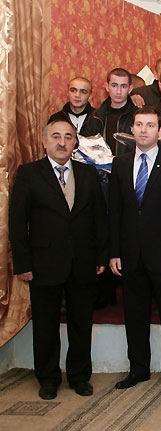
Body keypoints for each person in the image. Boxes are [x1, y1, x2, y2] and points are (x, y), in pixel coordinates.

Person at [9, 119, 108, 400]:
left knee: (81, 324)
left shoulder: (88, 174)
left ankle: (79, 376)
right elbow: (18, 222)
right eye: (56, 136)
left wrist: (101, 255)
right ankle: (48, 378)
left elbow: (100, 218)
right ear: (44, 141)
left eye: (67, 137)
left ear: (75, 142)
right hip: (44, 263)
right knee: (46, 325)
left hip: (83, 262)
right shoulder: (29, 174)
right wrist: (23, 264)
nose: (62, 142)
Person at [109, 106, 161, 393]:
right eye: (139, 124)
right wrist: (114, 252)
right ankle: (138, 369)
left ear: (160, 131)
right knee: (134, 316)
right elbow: (114, 212)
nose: (144, 130)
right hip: (130, 255)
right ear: (131, 129)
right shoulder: (120, 164)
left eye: (150, 125)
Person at [94, 68, 137, 155]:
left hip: (129, 163)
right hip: (102, 163)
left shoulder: (137, 116)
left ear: (130, 89)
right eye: (114, 86)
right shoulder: (97, 116)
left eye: (123, 86)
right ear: (107, 87)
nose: (118, 91)